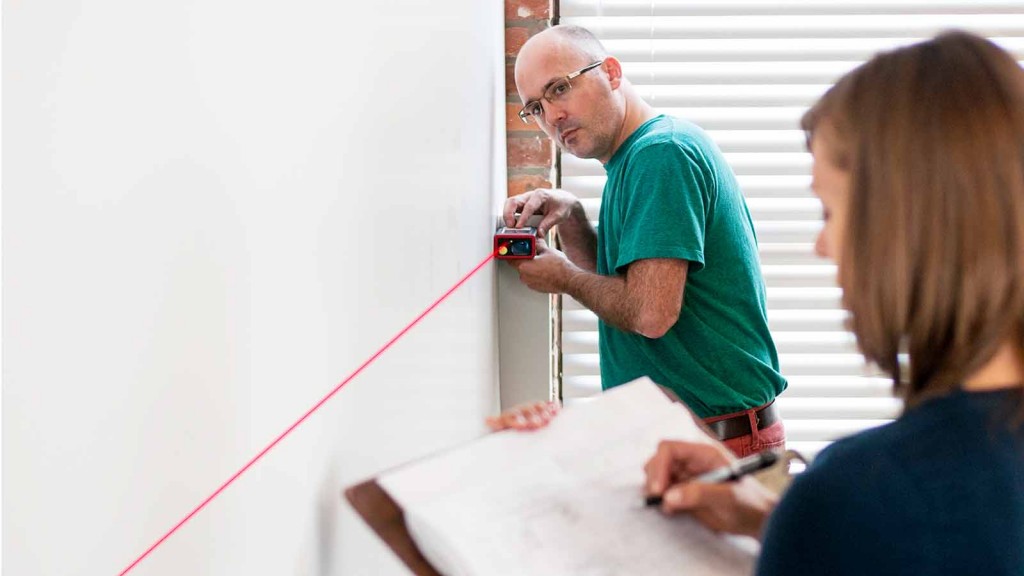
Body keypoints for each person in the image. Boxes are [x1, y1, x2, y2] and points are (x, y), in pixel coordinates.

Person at [643, 30, 1024, 575]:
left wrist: (810, 523)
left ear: (901, 228)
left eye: (828, 213)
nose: (822, 246)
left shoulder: (863, 492)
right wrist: (773, 520)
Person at [490, 24, 787, 457]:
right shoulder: (636, 158)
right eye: (535, 107)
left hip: (719, 445)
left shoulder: (660, 155)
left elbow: (649, 313)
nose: (551, 117)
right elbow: (623, 293)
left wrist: (563, 277)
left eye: (559, 89)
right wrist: (572, 216)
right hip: (691, 441)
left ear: (611, 72)